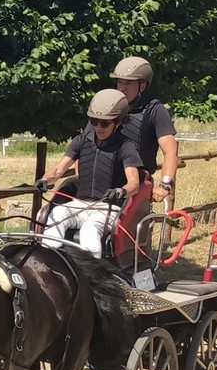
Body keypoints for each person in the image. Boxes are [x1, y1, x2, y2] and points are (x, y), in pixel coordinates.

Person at [36, 89, 142, 258]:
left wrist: (120, 191)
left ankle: (93, 279)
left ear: (118, 122)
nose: (98, 127)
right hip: (79, 205)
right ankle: (50, 262)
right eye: (94, 121)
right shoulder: (81, 141)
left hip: (107, 208)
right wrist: (44, 180)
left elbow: (134, 184)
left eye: (105, 123)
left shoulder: (126, 146)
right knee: (56, 214)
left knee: (89, 230)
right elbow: (58, 170)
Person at [111, 56, 178, 204]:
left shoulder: (155, 110)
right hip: (105, 181)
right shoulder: (108, 107)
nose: (122, 87)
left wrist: (165, 185)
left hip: (138, 184)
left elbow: (170, 150)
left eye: (128, 83)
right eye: (119, 82)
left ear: (142, 86)